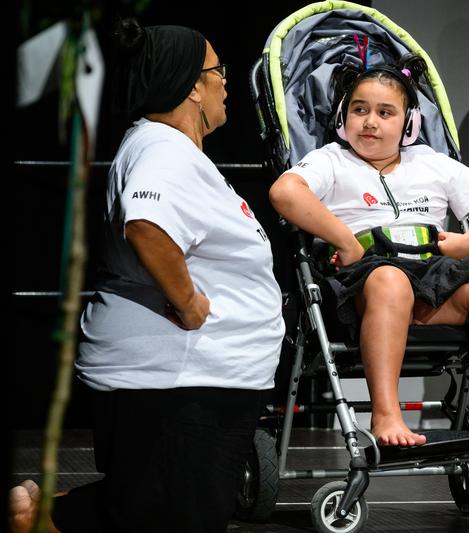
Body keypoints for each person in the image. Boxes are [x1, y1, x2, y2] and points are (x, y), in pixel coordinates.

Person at [9, 18, 285, 533]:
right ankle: (37, 517)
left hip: (191, 381)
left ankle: (40, 512)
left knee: (164, 508)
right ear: (191, 84)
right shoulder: (163, 148)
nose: (227, 81)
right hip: (175, 379)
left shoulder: (172, 151)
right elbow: (146, 224)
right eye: (218, 70)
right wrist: (190, 304)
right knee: (171, 514)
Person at [269, 54, 469, 447]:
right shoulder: (330, 160)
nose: (370, 121)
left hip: (431, 281)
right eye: (359, 109)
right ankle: (386, 413)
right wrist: (346, 240)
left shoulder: (430, 163)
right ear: (341, 118)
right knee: (391, 279)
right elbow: (284, 192)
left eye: (385, 113)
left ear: (410, 124)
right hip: (363, 283)